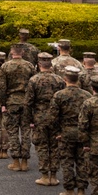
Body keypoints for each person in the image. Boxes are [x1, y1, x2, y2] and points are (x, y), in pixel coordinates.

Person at [45, 65, 90, 195]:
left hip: (65, 133)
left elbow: (52, 118)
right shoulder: (86, 95)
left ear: (65, 79)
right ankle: (81, 190)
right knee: (82, 161)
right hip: (82, 134)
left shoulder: (59, 95)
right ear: (78, 79)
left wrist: (57, 132)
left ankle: (69, 190)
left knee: (67, 162)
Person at [26, 52, 65, 186]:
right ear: (51, 65)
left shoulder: (33, 80)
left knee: (42, 146)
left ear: (38, 64)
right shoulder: (59, 80)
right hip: (55, 117)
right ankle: (53, 175)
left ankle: (44, 175)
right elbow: (62, 101)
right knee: (54, 146)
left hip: (39, 117)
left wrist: (29, 119)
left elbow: (28, 102)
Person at [0, 44, 37, 172]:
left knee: (13, 132)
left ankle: (15, 161)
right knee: (26, 132)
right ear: (23, 53)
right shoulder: (29, 66)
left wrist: (2, 103)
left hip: (11, 102)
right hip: (26, 103)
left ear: (11, 53)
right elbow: (33, 87)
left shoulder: (5, 66)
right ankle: (25, 162)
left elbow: (2, 87)